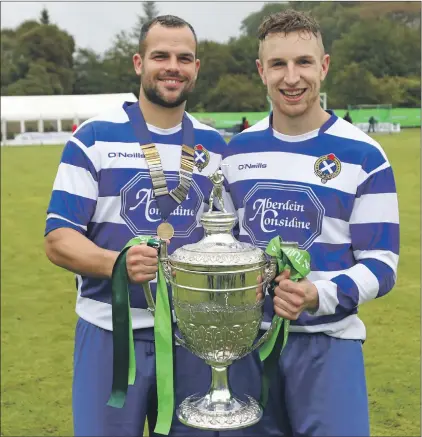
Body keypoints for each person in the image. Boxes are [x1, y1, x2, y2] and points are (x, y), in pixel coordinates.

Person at [44, 15, 267, 437]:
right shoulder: (93, 139)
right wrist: (116, 263)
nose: (173, 66)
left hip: (196, 337)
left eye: (184, 58)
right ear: (138, 63)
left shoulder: (215, 147)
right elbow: (59, 240)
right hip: (112, 333)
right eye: (160, 56)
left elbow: (234, 240)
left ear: (196, 68)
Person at [222, 9, 399, 436]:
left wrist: (316, 294)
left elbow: (382, 264)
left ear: (324, 66)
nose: (291, 77)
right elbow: (223, 250)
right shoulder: (237, 155)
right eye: (278, 64)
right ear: (261, 71)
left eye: (303, 62)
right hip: (249, 350)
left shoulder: (365, 156)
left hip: (329, 346)